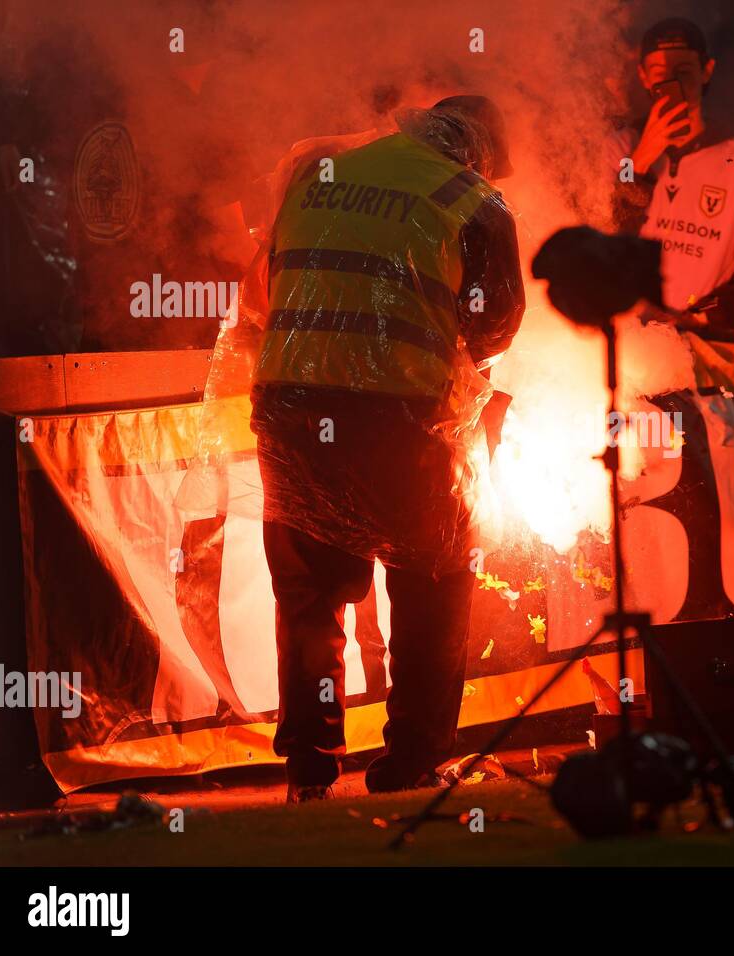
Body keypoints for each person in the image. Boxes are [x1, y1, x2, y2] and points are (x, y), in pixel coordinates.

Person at [249, 95, 524, 802]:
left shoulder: (319, 172)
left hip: (288, 409)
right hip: (399, 420)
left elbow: (270, 286)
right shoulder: (474, 199)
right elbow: (494, 327)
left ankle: (308, 761)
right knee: (434, 575)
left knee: (311, 593)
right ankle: (413, 757)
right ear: (482, 151)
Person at [608, 17, 734, 333]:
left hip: (705, 339)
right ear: (644, 76)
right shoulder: (619, 146)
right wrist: (641, 162)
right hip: (631, 339)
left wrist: (699, 317)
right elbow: (599, 240)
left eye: (685, 73)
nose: (674, 85)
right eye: (662, 75)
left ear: (707, 71)